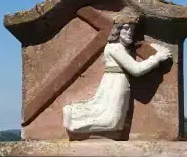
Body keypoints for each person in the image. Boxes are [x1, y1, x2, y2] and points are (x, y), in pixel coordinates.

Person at [63, 7, 172, 135]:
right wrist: (157, 58)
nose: (129, 32)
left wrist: (154, 51)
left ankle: (75, 115)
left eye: (132, 29)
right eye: (126, 28)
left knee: (115, 122)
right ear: (118, 29)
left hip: (120, 82)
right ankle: (73, 117)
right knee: (111, 121)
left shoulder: (123, 48)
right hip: (115, 82)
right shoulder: (115, 47)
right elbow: (136, 69)